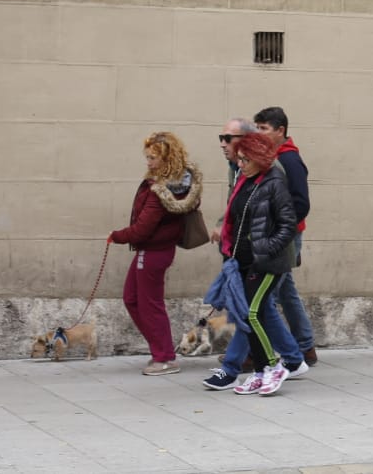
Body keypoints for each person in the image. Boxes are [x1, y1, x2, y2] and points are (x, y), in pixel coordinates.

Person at [202, 118, 305, 391]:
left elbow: (288, 223)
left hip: (268, 262)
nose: (239, 163)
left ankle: (272, 366)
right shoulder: (245, 180)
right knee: (250, 314)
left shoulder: (274, 180)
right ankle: (265, 369)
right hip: (244, 261)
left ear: (258, 157)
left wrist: (265, 249)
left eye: (245, 159)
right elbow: (239, 217)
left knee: (254, 313)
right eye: (239, 159)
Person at [109, 131, 202, 376]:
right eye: (147, 157)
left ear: (166, 159)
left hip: (151, 252)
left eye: (153, 158)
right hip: (156, 251)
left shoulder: (160, 191)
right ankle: (161, 352)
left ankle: (163, 357)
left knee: (150, 305)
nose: (148, 163)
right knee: (132, 298)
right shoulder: (178, 184)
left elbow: (142, 229)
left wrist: (117, 236)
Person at [253, 106, 317, 365]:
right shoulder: (270, 156)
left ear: (281, 131)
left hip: (284, 236)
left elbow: (301, 203)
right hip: (280, 234)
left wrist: (282, 231)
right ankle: (306, 347)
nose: (259, 133)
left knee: (263, 297)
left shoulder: (289, 160)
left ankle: (257, 352)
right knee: (285, 292)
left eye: (264, 129)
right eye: (257, 128)